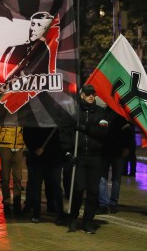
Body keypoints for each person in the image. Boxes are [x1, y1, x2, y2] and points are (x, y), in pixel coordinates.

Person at [60, 84, 109, 234]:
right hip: (79, 157)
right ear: (82, 95)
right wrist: (68, 152)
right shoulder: (74, 112)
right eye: (88, 94)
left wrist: (84, 128)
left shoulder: (101, 113)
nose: (91, 96)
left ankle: (88, 221)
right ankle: (73, 218)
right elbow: (65, 132)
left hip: (95, 157)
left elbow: (103, 132)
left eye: (93, 94)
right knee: (78, 189)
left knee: (93, 192)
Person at [0, 12, 56, 83]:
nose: (33, 28)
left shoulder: (47, 51)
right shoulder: (12, 49)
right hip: (6, 90)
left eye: (39, 25)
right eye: (33, 24)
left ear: (46, 29)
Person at [22, 127, 65, 225]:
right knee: (36, 186)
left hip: (54, 159)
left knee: (55, 187)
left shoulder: (57, 122)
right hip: (37, 159)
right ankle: (36, 213)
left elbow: (63, 137)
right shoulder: (34, 120)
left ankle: (60, 214)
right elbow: (27, 135)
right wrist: (34, 149)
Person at [98, 111, 133, 214]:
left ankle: (110, 203)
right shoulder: (103, 115)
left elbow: (128, 132)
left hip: (116, 152)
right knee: (105, 178)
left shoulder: (120, 117)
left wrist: (126, 147)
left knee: (112, 179)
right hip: (106, 151)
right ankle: (105, 204)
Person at [0, 125, 26, 215]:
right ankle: (6, 204)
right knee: (5, 178)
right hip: (5, 146)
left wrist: (25, 146)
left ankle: (17, 206)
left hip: (19, 147)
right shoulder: (4, 113)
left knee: (18, 177)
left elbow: (26, 130)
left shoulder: (21, 114)